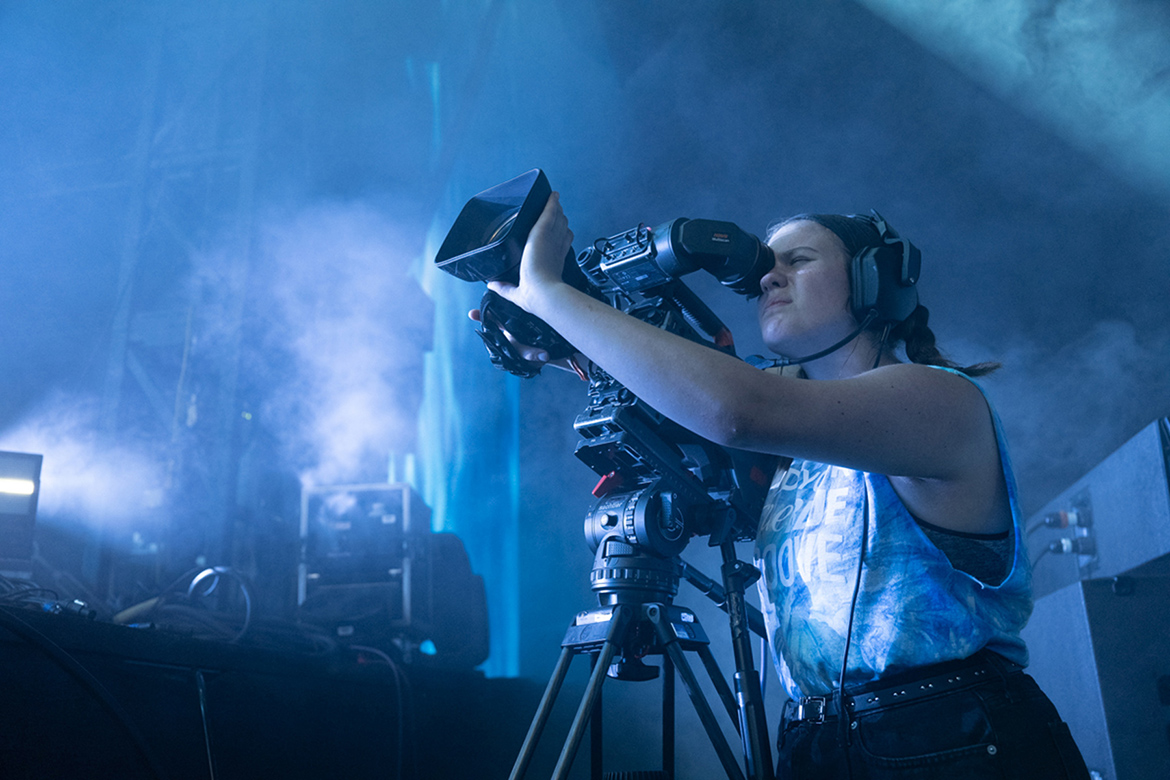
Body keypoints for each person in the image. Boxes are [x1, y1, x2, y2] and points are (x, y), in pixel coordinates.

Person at [477, 192, 1090, 779]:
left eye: (798, 261)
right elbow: (685, 400)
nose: (769, 277)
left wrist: (553, 293)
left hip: (949, 736)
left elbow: (736, 411)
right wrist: (554, 341)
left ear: (876, 280)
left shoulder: (938, 396)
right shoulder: (794, 445)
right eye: (766, 266)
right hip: (815, 740)